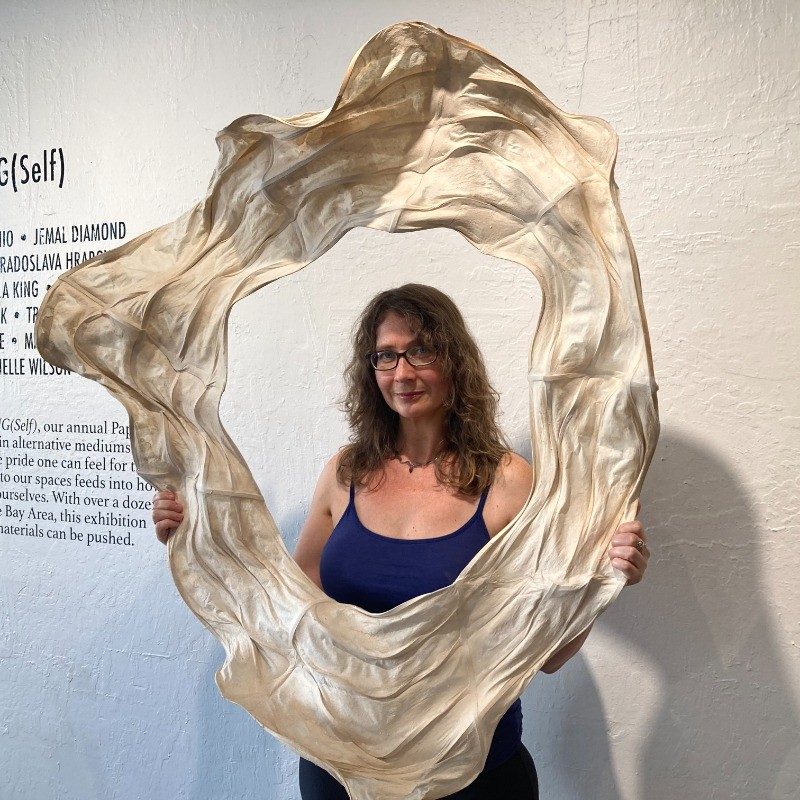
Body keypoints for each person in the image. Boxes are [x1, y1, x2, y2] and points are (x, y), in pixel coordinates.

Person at [152, 284, 650, 800]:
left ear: (455, 362)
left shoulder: (507, 483)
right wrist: (199, 536)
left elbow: (548, 652)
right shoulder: (345, 472)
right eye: (385, 356)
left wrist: (604, 578)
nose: (402, 373)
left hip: (469, 775)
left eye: (421, 351)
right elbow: (291, 607)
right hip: (340, 762)